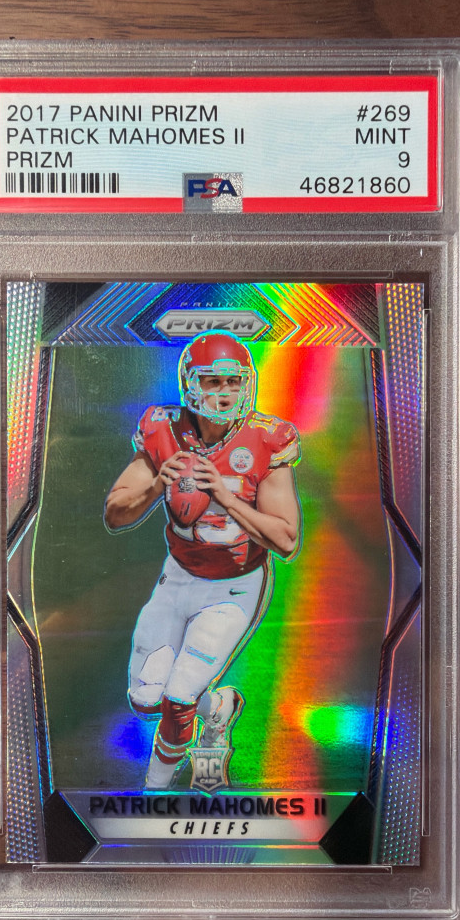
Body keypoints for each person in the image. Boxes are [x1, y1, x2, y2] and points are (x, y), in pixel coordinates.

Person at [104, 331, 301, 789]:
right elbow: (115, 513)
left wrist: (226, 498)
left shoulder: (266, 438)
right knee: (145, 699)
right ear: (190, 385)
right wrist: (157, 485)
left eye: (234, 382)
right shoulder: (163, 429)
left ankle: (153, 792)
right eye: (213, 381)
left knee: (178, 699)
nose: (225, 393)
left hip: (234, 585)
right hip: (178, 577)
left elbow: (287, 540)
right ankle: (220, 708)